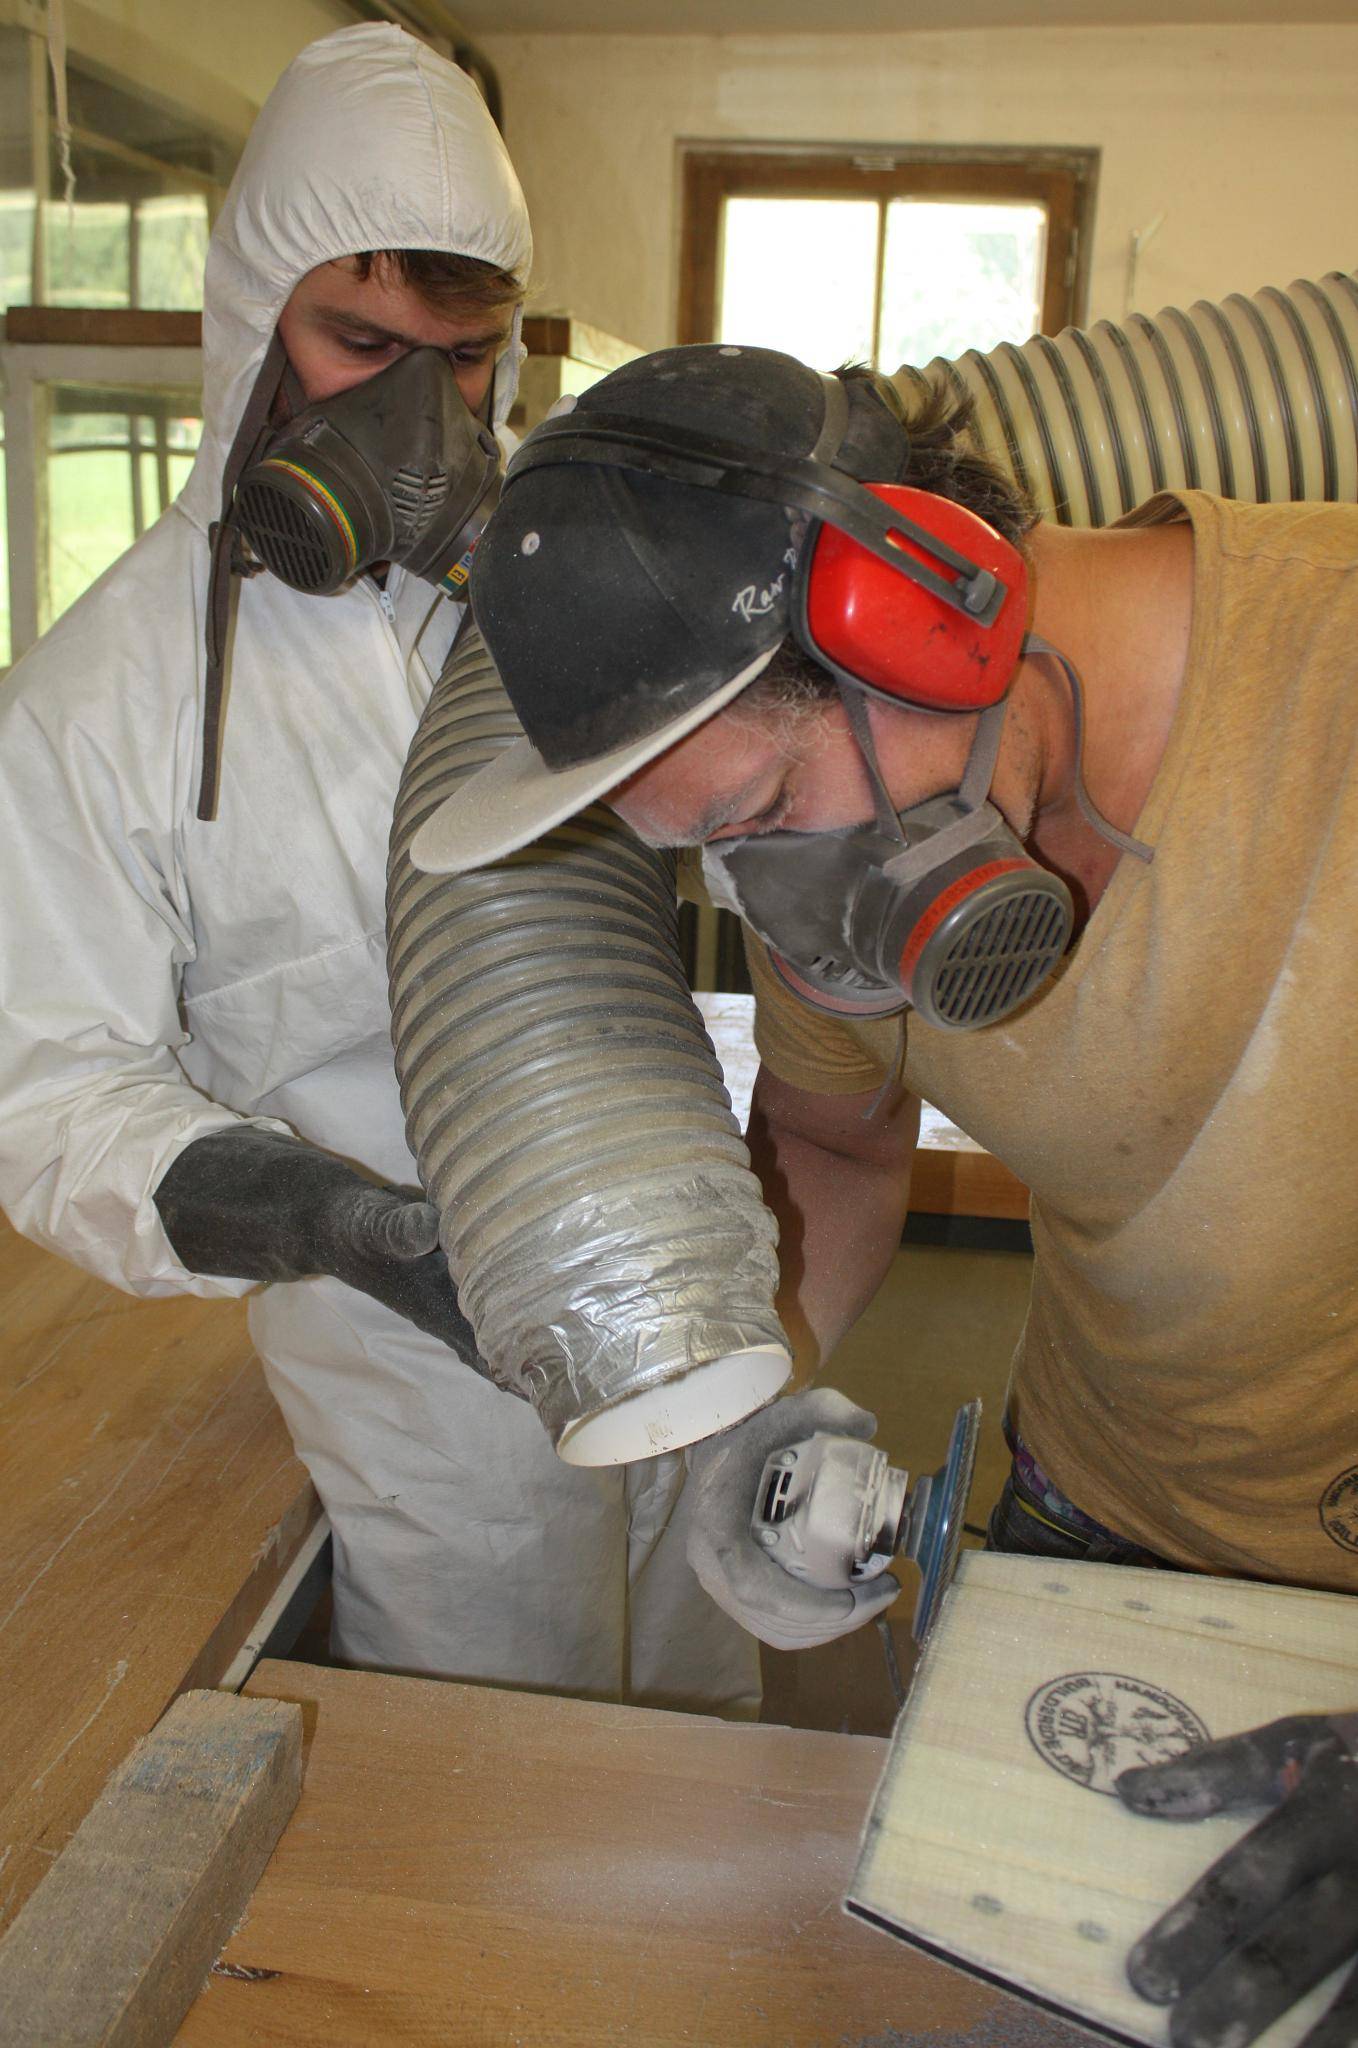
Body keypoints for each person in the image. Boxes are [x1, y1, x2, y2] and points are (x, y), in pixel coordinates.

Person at [412, 340, 1358, 2046]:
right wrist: (760, 1404)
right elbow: (838, 1150)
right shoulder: (834, 864)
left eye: (772, 807)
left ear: (932, 616)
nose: (792, 918)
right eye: (716, 853)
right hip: (1102, 1518)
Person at [0, 28, 759, 1717]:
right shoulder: (99, 706)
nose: (422, 418)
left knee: (707, 1723)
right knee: (506, 1778)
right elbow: (48, 1091)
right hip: (413, 1356)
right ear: (251, 311)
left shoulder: (534, 597)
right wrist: (345, 1225)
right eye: (359, 344)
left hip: (662, 1242)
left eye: (467, 360)